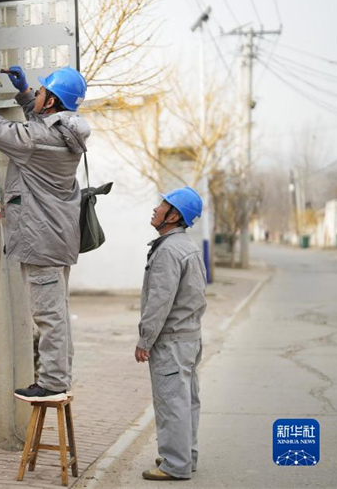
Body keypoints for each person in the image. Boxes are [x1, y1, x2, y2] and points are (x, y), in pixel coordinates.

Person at [0, 65, 89, 402]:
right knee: (58, 312)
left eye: (41, 92)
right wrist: (23, 97)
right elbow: (37, 130)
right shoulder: (65, 134)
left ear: (51, 103)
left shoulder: (37, 140)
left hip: (42, 239)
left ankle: (52, 382)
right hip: (57, 237)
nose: (36, 93)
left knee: (48, 316)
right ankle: (59, 376)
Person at [135, 186, 206, 481]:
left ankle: (175, 465)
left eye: (162, 205)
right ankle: (185, 457)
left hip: (171, 340)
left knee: (171, 402)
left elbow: (159, 302)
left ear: (174, 215)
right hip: (189, 336)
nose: (155, 209)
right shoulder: (187, 247)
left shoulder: (168, 251)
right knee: (186, 400)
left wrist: (145, 340)